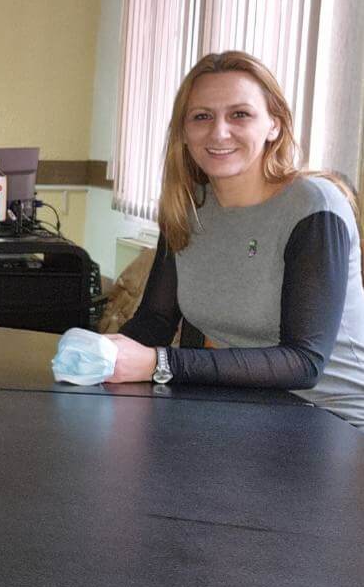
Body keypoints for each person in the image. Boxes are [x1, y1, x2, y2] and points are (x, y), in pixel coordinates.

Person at [107, 51, 364, 429]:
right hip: (247, 409)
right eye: (201, 116)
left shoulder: (314, 206)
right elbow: (155, 321)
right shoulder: (186, 207)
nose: (219, 132)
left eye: (240, 114)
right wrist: (101, 354)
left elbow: (304, 362)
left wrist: (160, 363)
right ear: (183, 131)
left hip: (335, 421)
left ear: (274, 125)